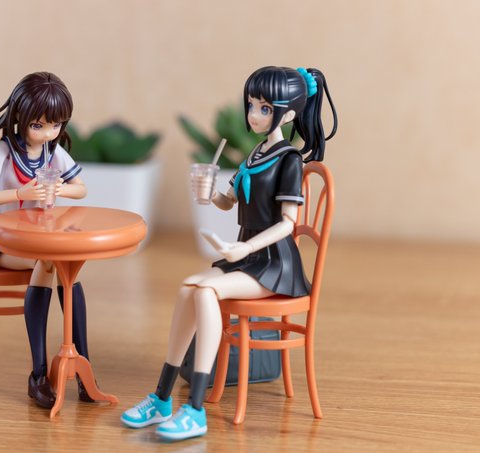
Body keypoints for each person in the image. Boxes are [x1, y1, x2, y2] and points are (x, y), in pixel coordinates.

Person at [121, 66, 337, 440]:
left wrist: (246, 247)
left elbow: (288, 224)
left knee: (206, 291)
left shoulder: (289, 160)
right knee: (187, 287)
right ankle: (162, 397)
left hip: (274, 264)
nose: (254, 114)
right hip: (247, 258)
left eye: (265, 108)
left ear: (288, 114)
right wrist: (209, 194)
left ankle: (196, 409)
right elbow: (229, 199)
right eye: (251, 105)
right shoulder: (255, 153)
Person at [0, 72, 93, 409]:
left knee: (66, 264)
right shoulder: (4, 151)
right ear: (21, 117)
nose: (48, 133)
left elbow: (81, 189)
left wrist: (60, 188)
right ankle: (39, 373)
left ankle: (81, 364)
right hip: (1, 239)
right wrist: (20, 193)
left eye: (56, 125)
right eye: (39, 125)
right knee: (52, 261)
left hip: (38, 234)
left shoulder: (53, 152)